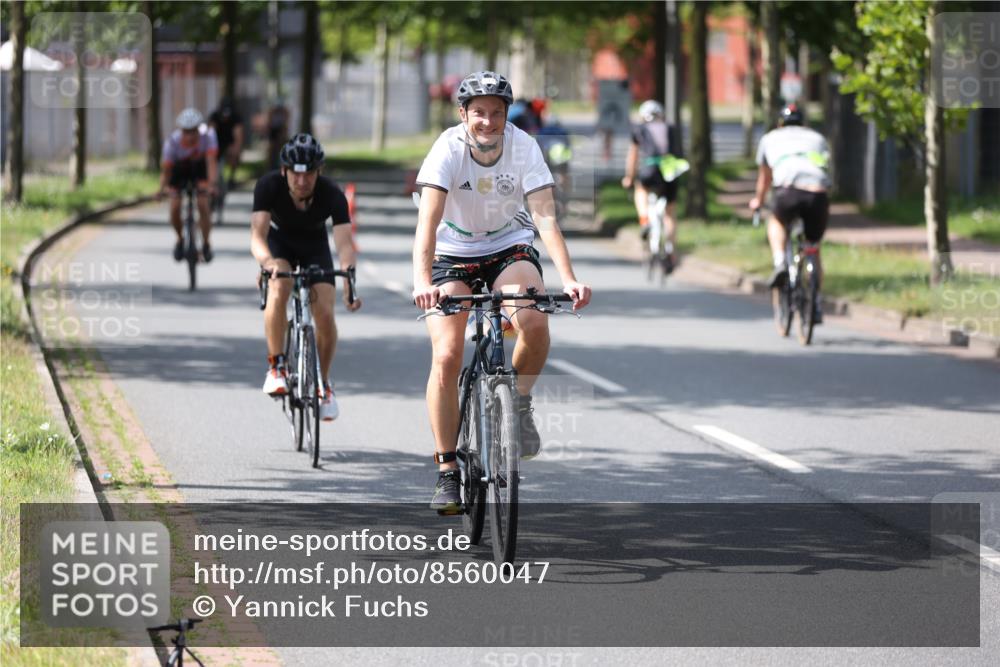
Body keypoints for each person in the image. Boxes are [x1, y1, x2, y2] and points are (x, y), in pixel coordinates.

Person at [411, 70, 592, 514]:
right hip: (451, 253)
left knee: (532, 319)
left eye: (496, 113)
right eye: (479, 114)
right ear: (463, 115)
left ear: (507, 115)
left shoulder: (525, 146)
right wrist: (421, 282)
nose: (488, 122)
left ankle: (521, 403)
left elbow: (546, 219)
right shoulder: (447, 149)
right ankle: (447, 470)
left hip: (507, 247)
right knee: (447, 354)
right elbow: (427, 224)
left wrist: (568, 278)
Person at [250, 133, 361, 421]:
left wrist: (349, 281)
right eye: (296, 175)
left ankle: (323, 384)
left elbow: (345, 244)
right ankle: (277, 366)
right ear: (285, 171)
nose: (302, 181)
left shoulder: (332, 194)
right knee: (279, 285)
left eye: (309, 174)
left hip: (315, 246)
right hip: (279, 245)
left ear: (318, 172)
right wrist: (267, 262)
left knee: (324, 313)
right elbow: (257, 237)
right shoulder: (268, 186)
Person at [748, 103, 831, 320]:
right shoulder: (818, 138)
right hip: (817, 194)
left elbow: (765, 177)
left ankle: (779, 263)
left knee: (775, 221)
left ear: (780, 123)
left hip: (787, 192)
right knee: (813, 246)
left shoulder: (770, 138)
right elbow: (825, 168)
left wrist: (758, 200)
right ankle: (816, 302)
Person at [621, 100, 680, 269]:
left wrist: (629, 178)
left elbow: (633, 157)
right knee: (670, 213)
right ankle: (670, 250)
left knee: (641, 189)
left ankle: (645, 220)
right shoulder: (671, 128)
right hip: (670, 171)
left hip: (650, 168)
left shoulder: (639, 129)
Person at [158, 108, 218, 262]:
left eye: (193, 131)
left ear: (199, 129)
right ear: (180, 130)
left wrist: (211, 185)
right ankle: (180, 239)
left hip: (200, 170)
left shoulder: (209, 137)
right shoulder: (172, 142)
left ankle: (205, 243)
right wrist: (161, 190)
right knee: (174, 207)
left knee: (203, 204)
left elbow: (211, 163)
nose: (190, 136)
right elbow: (167, 170)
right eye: (186, 131)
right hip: (180, 171)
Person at [208, 97, 244, 191]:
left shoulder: (236, 117)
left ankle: (232, 177)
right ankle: (212, 180)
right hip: (217, 143)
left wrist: (236, 149)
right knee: (212, 161)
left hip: (229, 143)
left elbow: (238, 136)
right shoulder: (214, 116)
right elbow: (210, 134)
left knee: (234, 156)